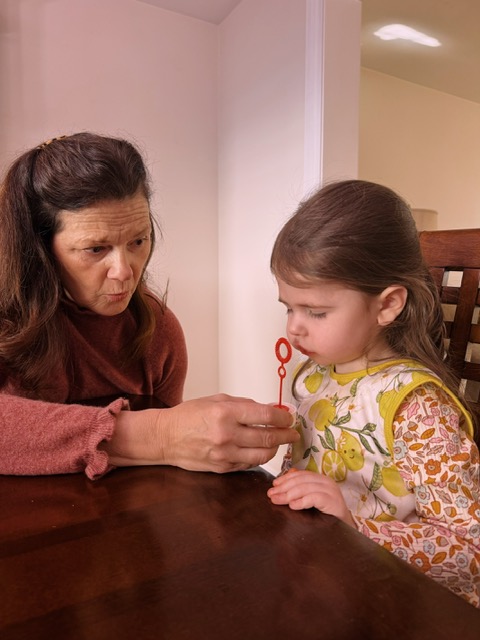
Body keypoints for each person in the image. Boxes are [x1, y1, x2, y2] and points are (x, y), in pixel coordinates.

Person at [0, 132, 298, 480]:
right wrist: (161, 434)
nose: (125, 271)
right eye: (95, 249)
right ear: (40, 250)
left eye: (138, 241)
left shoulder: (158, 329)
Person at [266, 179, 480, 608]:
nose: (294, 327)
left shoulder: (418, 408)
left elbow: (468, 553)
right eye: (289, 307)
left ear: (386, 305)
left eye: (317, 311)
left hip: (409, 604)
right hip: (330, 583)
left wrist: (355, 525)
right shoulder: (314, 378)